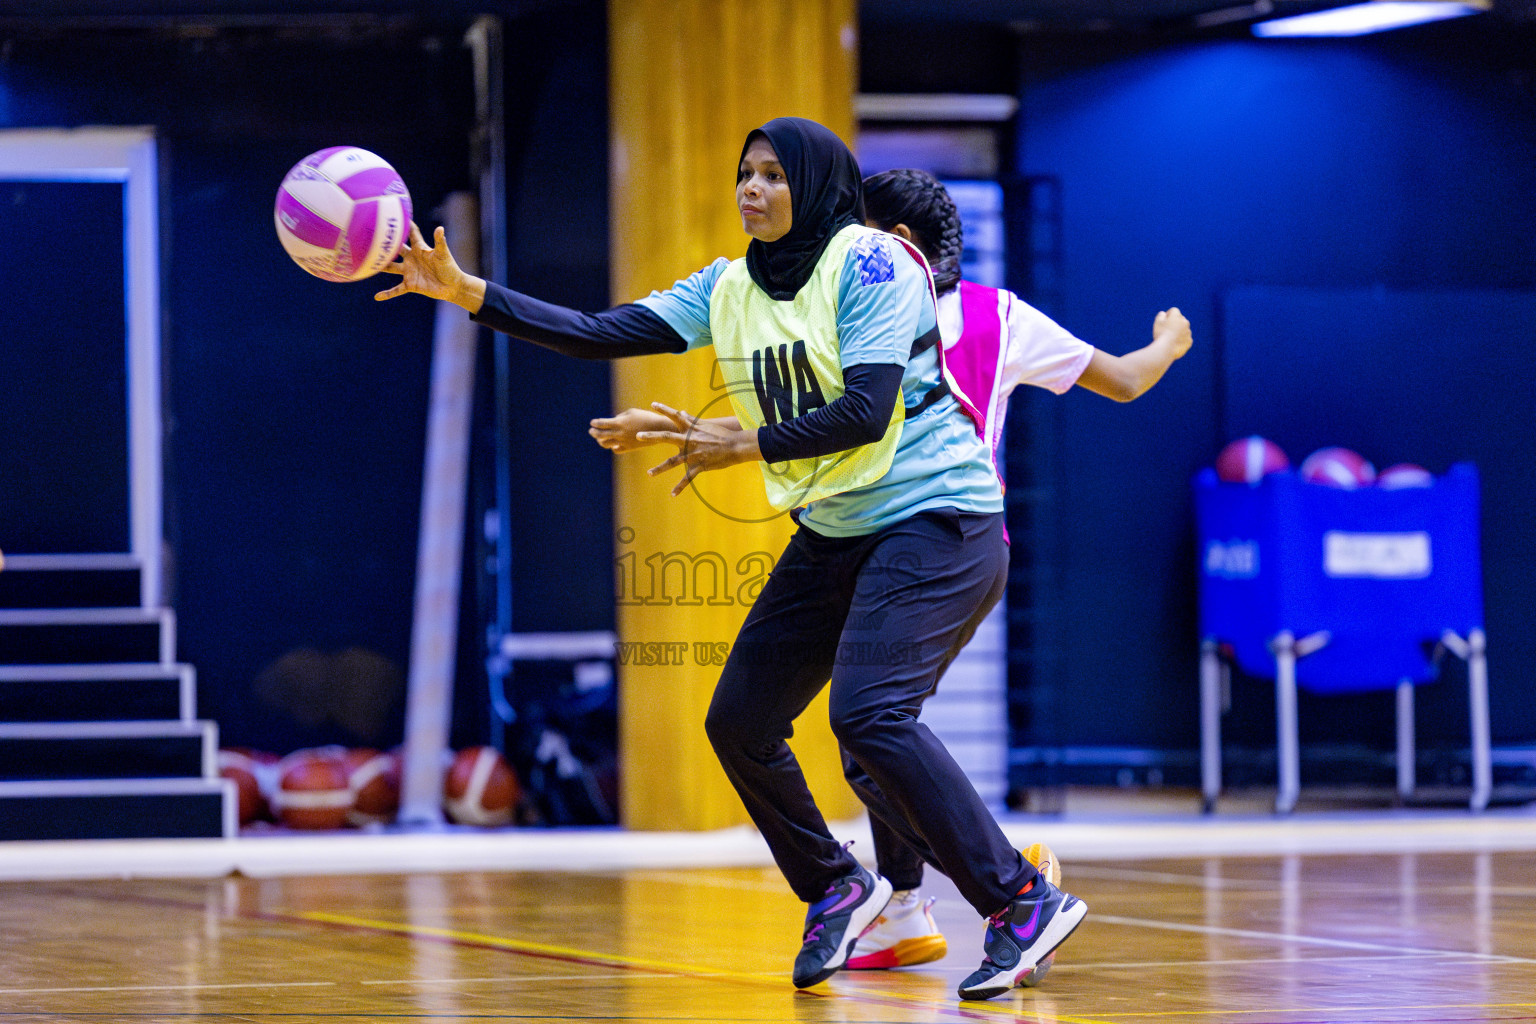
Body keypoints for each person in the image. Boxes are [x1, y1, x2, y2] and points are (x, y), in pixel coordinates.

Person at [377, 116, 1089, 1002]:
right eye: (744, 173)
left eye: (772, 175)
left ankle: (1021, 901)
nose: (751, 189)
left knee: (870, 718)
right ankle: (838, 884)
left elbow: (867, 413)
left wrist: (740, 442)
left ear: (819, 187)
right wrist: (469, 291)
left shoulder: (873, 264)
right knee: (738, 720)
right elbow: (602, 330)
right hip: (838, 524)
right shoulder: (729, 286)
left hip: (938, 519)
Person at [589, 167, 1195, 984]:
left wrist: (1168, 342)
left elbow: (860, 414)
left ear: (895, 245)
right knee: (863, 734)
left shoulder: (938, 307)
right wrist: (1163, 348)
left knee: (872, 727)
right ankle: (907, 910)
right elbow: (1122, 378)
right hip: (862, 535)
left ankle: (998, 890)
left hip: (941, 539)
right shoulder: (882, 305)